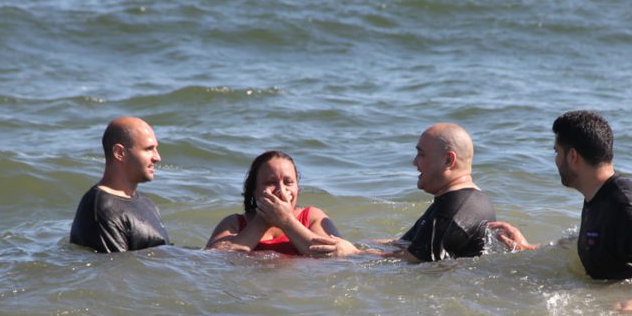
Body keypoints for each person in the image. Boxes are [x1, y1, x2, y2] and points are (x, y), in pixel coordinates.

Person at [489, 110, 632, 312]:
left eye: (556, 152)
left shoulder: (624, 204)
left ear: (572, 156)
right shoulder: (598, 196)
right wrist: (526, 248)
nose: (556, 161)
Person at [310, 123, 495, 261]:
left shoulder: (453, 210)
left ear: (448, 161)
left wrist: (353, 253)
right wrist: (356, 243)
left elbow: (413, 260)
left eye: (421, 154)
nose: (414, 162)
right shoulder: (458, 200)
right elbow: (405, 243)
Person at [205, 150, 355, 256]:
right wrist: (262, 221)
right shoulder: (234, 223)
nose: (281, 190)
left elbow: (331, 255)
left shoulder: (311, 217)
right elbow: (216, 258)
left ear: (298, 188)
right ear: (254, 190)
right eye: (271, 182)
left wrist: (286, 221)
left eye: (288, 182)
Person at [70, 116, 170, 253]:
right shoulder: (101, 209)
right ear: (119, 153)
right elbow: (117, 269)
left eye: (156, 149)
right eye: (148, 149)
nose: (157, 157)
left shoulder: (146, 202)